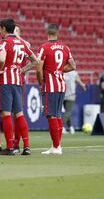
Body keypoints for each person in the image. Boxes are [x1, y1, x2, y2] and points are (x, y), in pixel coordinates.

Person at [0, 18, 39, 155]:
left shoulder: (3, 43)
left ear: (3, 29)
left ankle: (10, 147)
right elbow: (36, 61)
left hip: (6, 81)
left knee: (6, 113)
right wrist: (22, 70)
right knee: (19, 114)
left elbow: (2, 59)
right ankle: (26, 146)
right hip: (18, 81)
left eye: (0, 29)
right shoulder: (22, 43)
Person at [37, 23, 76, 155]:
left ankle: (56, 146)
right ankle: (58, 145)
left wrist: (41, 81)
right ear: (57, 33)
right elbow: (73, 65)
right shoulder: (65, 47)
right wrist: (59, 70)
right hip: (61, 85)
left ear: (47, 33)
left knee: (51, 115)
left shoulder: (44, 47)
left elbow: (38, 68)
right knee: (58, 115)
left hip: (50, 85)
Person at [13, 25, 33, 153]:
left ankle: (20, 144)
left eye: (16, 30)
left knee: (18, 114)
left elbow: (34, 60)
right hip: (8, 82)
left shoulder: (25, 44)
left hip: (19, 82)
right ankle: (15, 144)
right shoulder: (7, 43)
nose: (14, 33)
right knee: (11, 114)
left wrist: (23, 70)